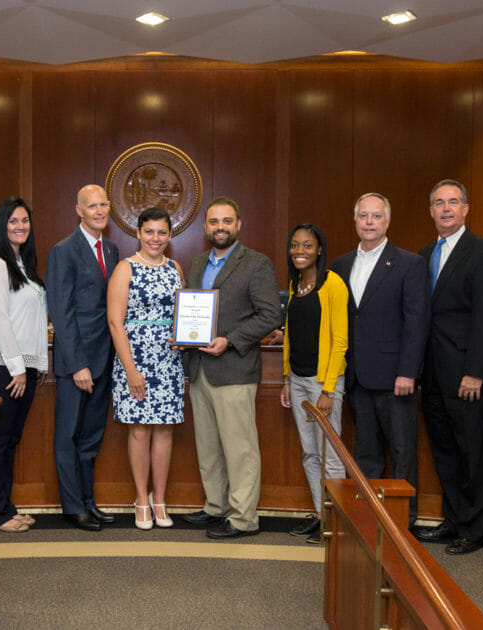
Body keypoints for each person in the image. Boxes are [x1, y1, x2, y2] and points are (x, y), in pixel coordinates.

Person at [415, 179, 483, 555]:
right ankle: (454, 520)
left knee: (475, 453)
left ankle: (473, 528)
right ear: (431, 211)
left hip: (470, 375)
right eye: (439, 203)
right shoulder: (423, 254)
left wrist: (476, 371)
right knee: (446, 452)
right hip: (434, 373)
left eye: (453, 202)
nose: (446, 208)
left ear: (466, 209)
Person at [181, 196, 281, 539]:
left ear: (238, 225)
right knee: (208, 446)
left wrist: (231, 339)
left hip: (234, 368)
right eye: (214, 222)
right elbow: (193, 311)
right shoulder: (196, 263)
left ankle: (243, 518)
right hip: (199, 368)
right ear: (206, 227)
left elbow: (270, 315)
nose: (220, 227)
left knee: (239, 449)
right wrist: (184, 336)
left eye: (227, 221)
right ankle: (216, 507)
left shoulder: (256, 263)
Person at [331, 193, 428, 527]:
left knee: (402, 453)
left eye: (375, 216)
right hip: (357, 377)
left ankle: (405, 523)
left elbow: (417, 323)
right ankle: (370, 518)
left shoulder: (409, 263)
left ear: (387, 222)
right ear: (355, 221)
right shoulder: (341, 265)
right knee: (365, 455)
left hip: (395, 379)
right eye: (363, 216)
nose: (369, 222)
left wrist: (408, 372)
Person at [0, 196, 48, 533]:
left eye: (25, 221)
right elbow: (0, 321)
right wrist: (18, 367)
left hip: (23, 366)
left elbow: (33, 322)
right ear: (2, 226)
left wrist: (37, 364)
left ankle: (5, 506)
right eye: (14, 221)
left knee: (11, 439)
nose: (20, 226)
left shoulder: (23, 265)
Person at [46, 184, 120, 531]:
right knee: (67, 436)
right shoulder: (64, 251)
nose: (99, 211)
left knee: (91, 437)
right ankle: (73, 506)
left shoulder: (113, 249)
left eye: (103, 204)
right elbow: (61, 313)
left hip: (105, 360)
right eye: (92, 206)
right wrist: (77, 365)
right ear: (79, 210)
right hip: (76, 364)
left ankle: (89, 502)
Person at [107, 207, 185, 530]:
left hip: (169, 361)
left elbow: (186, 314)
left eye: (162, 232)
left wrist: (184, 338)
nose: (156, 238)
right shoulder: (125, 269)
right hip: (134, 359)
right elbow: (115, 322)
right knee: (139, 430)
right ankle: (141, 498)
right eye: (149, 232)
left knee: (165, 430)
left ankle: (160, 498)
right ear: (138, 233)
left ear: (170, 235)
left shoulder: (176, 268)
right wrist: (130, 369)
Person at [279, 223, 349, 545]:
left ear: (320, 249)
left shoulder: (332, 284)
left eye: (307, 246)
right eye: (295, 245)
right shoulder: (295, 286)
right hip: (297, 380)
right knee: (309, 453)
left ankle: (338, 522)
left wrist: (329, 389)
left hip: (322, 384)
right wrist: (284, 379)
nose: (300, 252)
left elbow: (340, 342)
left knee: (330, 453)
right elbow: (292, 334)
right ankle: (321, 515)